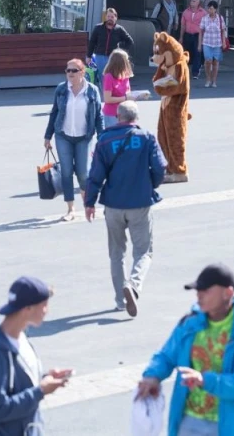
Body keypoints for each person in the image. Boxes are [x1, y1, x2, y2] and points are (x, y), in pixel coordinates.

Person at [137, 263, 234, 436]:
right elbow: (167, 356)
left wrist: (205, 381)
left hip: (231, 424)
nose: (199, 295)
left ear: (228, 292)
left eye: (206, 291)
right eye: (198, 290)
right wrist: (152, 376)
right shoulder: (190, 323)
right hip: (190, 421)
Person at [85, 101, 167, 316]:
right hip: (140, 202)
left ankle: (121, 300)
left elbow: (95, 175)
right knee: (144, 251)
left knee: (116, 253)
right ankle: (134, 285)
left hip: (113, 204)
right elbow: (160, 167)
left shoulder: (104, 140)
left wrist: (89, 202)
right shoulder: (147, 137)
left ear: (119, 117)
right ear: (136, 118)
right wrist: (151, 184)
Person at [0, 276, 73, 436]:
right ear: (27, 309)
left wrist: (45, 378)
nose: (46, 311)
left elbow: (18, 384)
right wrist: (40, 391)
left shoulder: (20, 337)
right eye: (44, 305)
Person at [44, 58, 104, 221]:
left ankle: (88, 205)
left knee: (83, 173)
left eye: (73, 70)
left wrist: (102, 137)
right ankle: (70, 209)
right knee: (66, 172)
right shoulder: (61, 90)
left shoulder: (92, 91)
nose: (69, 73)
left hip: (84, 137)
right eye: (67, 70)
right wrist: (48, 135)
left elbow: (99, 115)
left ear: (82, 72)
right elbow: (54, 112)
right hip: (63, 136)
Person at [101, 48, 148, 128]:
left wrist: (136, 96)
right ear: (120, 62)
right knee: (114, 138)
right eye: (126, 60)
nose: (128, 62)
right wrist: (125, 98)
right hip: (112, 114)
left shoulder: (125, 75)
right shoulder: (109, 77)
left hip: (125, 113)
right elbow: (107, 99)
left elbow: (128, 93)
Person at [88, 8, 134, 80]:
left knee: (113, 77)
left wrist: (121, 51)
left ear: (116, 18)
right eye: (108, 16)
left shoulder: (119, 29)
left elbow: (129, 41)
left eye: (112, 17)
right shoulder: (98, 28)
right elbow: (92, 42)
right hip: (100, 57)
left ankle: (110, 91)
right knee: (101, 78)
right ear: (105, 17)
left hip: (113, 58)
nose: (110, 18)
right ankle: (103, 91)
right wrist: (88, 56)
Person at [200, 1, 227, 88]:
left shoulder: (220, 18)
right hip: (207, 42)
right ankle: (208, 78)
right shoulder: (204, 18)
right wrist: (199, 43)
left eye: (211, 8)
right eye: (209, 8)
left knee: (215, 62)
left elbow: (223, 30)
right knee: (208, 61)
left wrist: (223, 42)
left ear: (215, 9)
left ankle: (214, 80)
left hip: (217, 43)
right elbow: (201, 31)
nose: (210, 10)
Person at [181, 0, 205, 79]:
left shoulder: (203, 12)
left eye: (194, 1)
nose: (192, 3)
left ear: (198, 3)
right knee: (186, 53)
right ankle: (183, 71)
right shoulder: (186, 12)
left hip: (198, 35)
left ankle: (195, 72)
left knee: (197, 53)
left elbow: (205, 26)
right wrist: (181, 37)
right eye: (191, 1)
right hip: (188, 34)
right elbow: (183, 25)